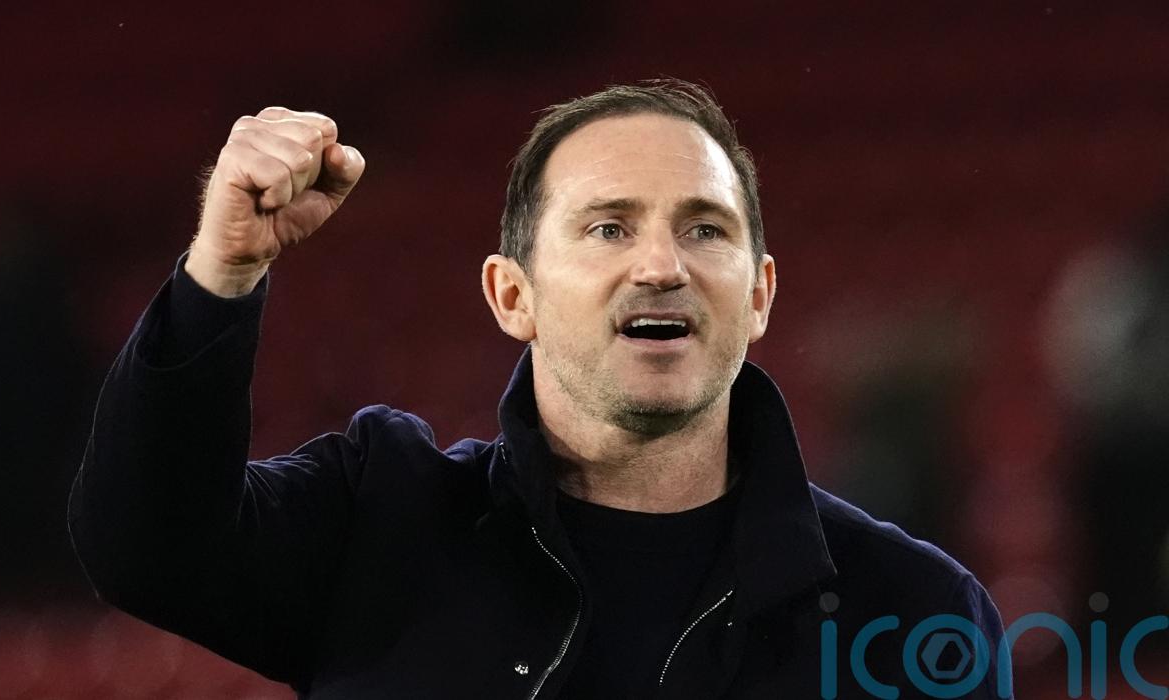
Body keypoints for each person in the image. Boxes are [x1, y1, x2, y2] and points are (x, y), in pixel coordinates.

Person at [69, 80, 1009, 698]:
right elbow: (144, 550)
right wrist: (224, 270)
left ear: (759, 295)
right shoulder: (378, 517)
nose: (661, 266)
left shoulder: (913, 614)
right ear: (511, 296)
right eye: (608, 228)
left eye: (704, 229)